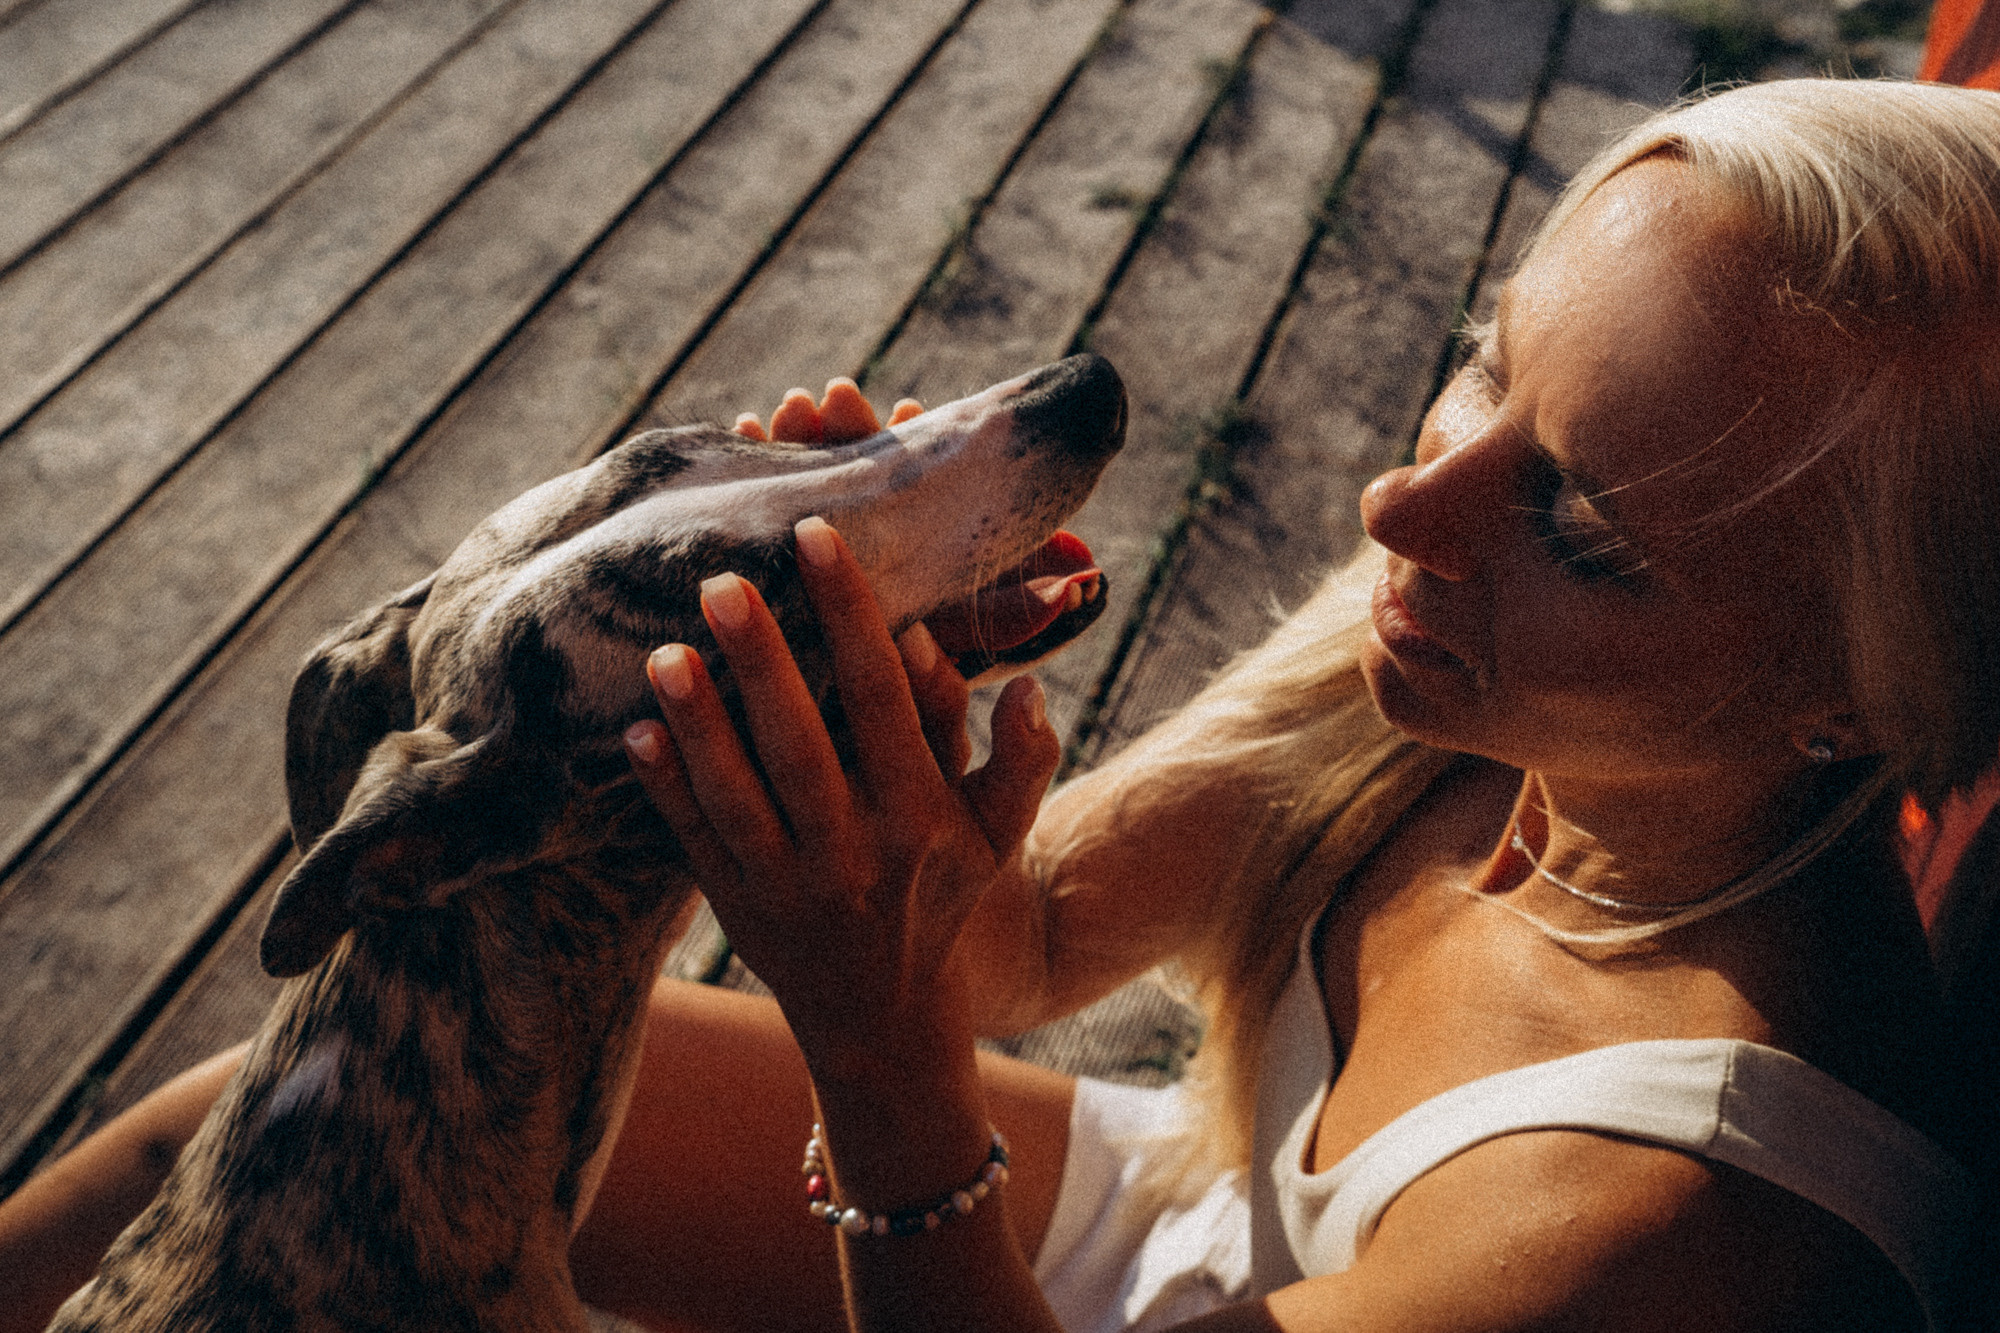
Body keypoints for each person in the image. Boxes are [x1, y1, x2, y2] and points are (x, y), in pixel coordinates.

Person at [1, 77, 1992, 1332]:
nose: (1405, 499)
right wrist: (870, 754)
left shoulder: (1675, 1233)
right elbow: (1025, 942)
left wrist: (878, 1055)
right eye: (1489, 368)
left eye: (1586, 518)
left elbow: (934, 1035)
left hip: (975, 1236)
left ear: (1856, 684)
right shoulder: (1481, 669)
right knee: (242, 1137)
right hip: (1146, 1213)